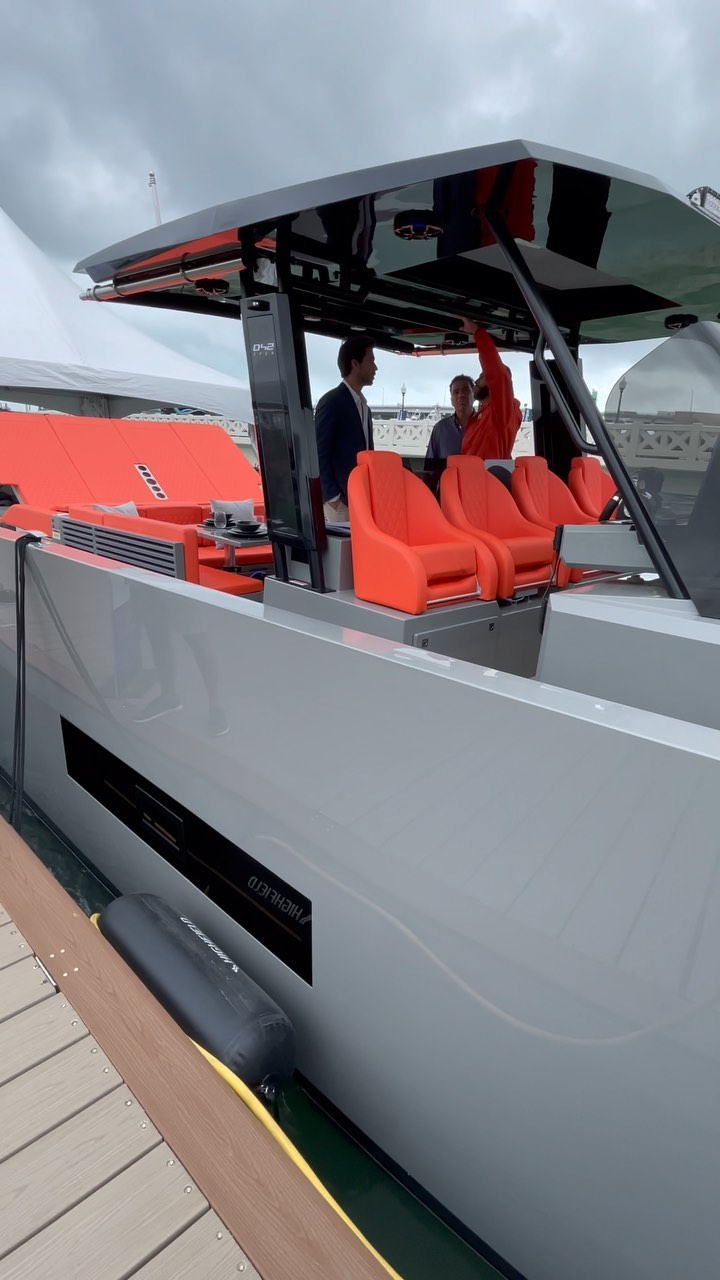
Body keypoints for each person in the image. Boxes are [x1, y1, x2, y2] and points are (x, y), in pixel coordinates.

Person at [315, 336, 376, 523]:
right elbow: (319, 452)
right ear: (355, 364)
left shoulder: (364, 406)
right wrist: (332, 497)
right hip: (341, 502)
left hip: (361, 497)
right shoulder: (331, 402)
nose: (375, 368)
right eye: (371, 360)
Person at [460, 318, 522, 460]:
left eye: (482, 376)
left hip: (488, 474)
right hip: (472, 473)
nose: (476, 381)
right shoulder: (482, 416)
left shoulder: (502, 413)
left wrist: (477, 332)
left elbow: (497, 373)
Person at [425, 374, 476, 461]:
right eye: (456, 392)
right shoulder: (440, 429)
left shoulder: (484, 426)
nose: (461, 395)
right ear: (451, 400)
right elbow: (430, 465)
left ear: (474, 395)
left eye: (465, 390)